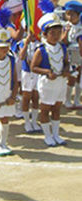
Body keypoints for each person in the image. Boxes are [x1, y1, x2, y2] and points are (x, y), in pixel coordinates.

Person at [31, 12, 69, 147]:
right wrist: (47, 72)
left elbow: (66, 62)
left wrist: (65, 70)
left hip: (60, 82)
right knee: (45, 108)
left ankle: (56, 134)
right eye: (53, 32)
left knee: (57, 108)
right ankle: (47, 135)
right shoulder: (41, 50)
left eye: (59, 32)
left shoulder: (62, 47)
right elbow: (33, 67)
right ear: (45, 34)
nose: (56, 35)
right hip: (47, 83)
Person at [19, 33, 42, 133]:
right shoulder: (22, 42)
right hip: (27, 73)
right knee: (26, 97)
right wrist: (26, 43)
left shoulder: (40, 43)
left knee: (36, 97)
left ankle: (34, 121)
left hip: (37, 73)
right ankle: (27, 122)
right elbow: (21, 56)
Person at [62, 0, 82, 109]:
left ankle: (77, 100)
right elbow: (63, 41)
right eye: (67, 14)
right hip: (70, 56)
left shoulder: (80, 26)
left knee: (80, 77)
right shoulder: (66, 26)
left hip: (80, 55)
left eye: (72, 14)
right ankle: (68, 100)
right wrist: (66, 32)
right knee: (71, 78)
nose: (69, 17)